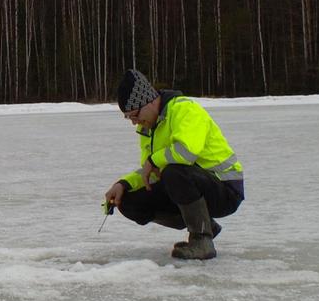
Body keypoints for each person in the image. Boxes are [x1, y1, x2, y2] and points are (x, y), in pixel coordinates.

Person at [104, 69, 245, 260]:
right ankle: (205, 224)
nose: (134, 123)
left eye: (135, 115)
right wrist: (123, 184)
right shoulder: (148, 129)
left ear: (150, 101)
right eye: (129, 118)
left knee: (174, 172)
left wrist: (154, 160)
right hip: (189, 183)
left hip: (225, 189)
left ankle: (202, 240)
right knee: (129, 201)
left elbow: (186, 152)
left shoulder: (184, 110)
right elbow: (151, 171)